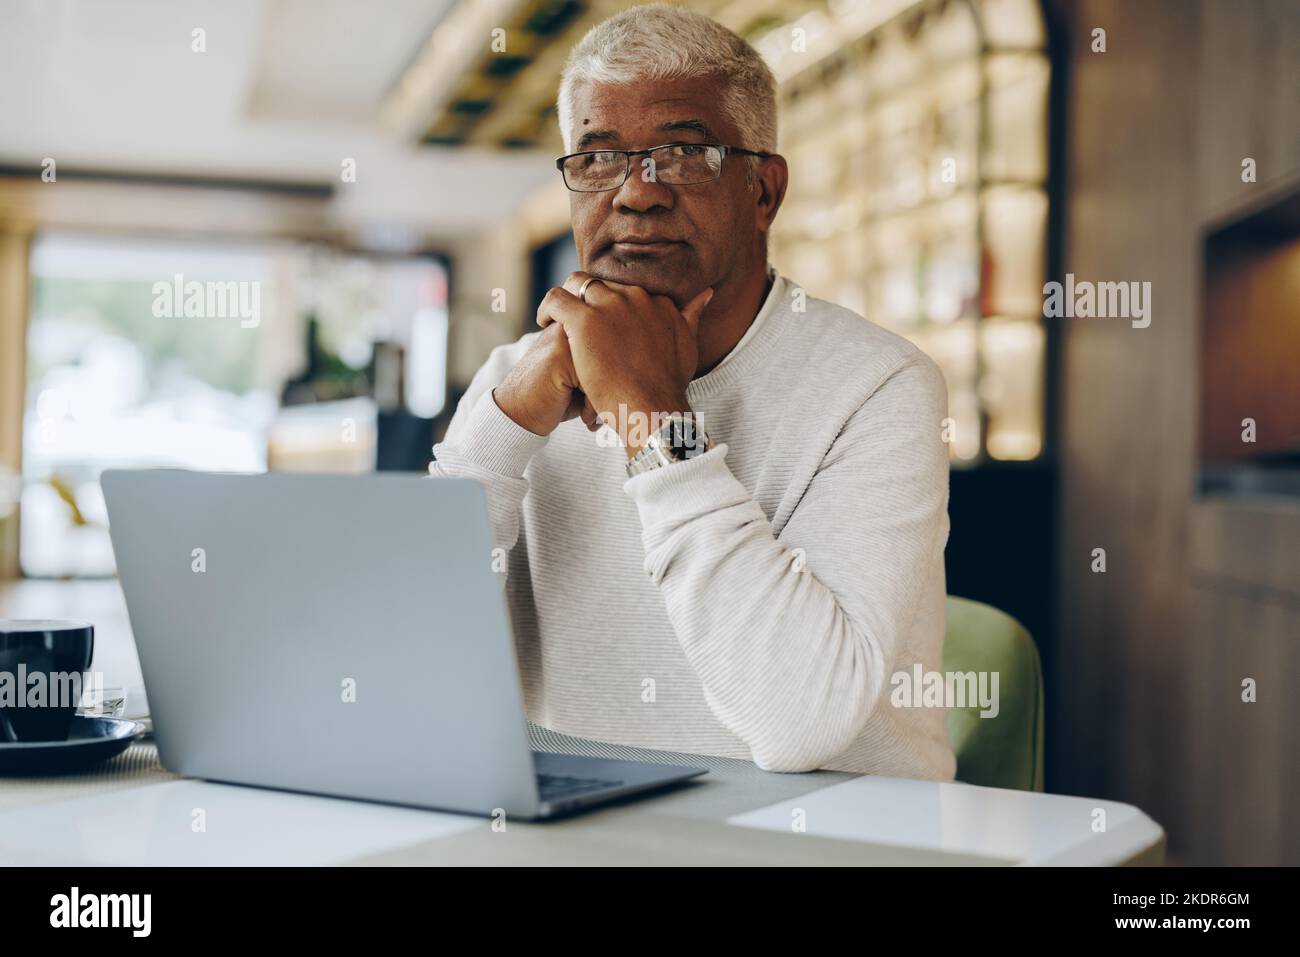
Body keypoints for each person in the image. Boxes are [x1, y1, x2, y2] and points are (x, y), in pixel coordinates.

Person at [430, 4, 955, 778]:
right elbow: (414, 665)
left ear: (763, 191)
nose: (636, 194)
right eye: (598, 157)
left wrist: (654, 419)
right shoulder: (516, 381)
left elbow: (798, 720)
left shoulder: (880, 386)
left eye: (682, 154)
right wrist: (503, 429)